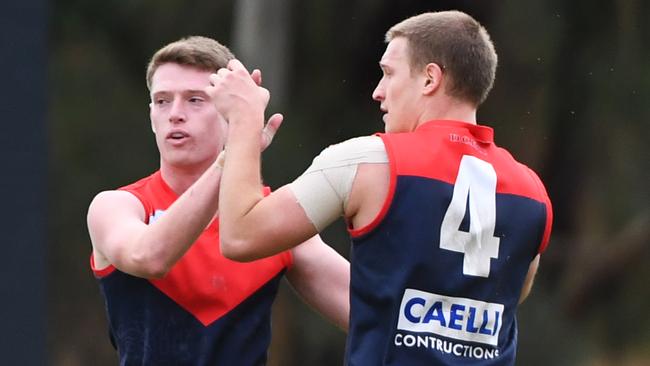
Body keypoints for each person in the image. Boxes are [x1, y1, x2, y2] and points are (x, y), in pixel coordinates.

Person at [209, 10, 553, 365]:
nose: (378, 92)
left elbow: (240, 236)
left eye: (389, 74)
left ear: (429, 79)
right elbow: (512, 291)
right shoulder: (532, 192)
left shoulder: (368, 161)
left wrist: (244, 121)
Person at [86, 36, 350, 366]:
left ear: (229, 115)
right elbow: (149, 256)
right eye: (162, 101)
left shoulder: (271, 221)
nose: (175, 114)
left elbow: (375, 316)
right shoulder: (117, 206)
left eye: (195, 100)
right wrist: (235, 150)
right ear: (151, 114)